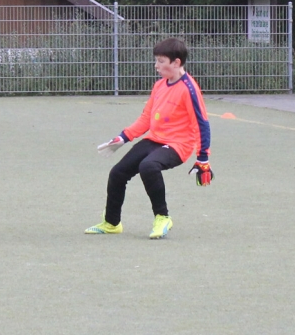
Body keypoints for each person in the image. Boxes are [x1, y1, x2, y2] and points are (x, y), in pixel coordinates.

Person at [86, 37, 212, 239]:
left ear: (176, 62)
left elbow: (202, 124)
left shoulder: (189, 90)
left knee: (148, 166)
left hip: (178, 145)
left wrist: (203, 158)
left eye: (161, 61)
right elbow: (146, 118)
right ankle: (111, 223)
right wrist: (123, 137)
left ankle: (163, 217)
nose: (156, 66)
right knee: (118, 173)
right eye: (156, 60)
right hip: (154, 140)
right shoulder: (160, 85)